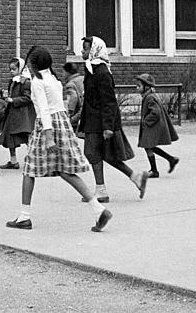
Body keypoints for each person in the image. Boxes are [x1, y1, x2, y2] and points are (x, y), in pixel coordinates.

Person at [5, 47, 112, 233]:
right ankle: (98, 209)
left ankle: (24, 216)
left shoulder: (38, 82)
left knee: (29, 169)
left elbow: (44, 110)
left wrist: (48, 138)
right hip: (61, 122)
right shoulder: (53, 79)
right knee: (65, 170)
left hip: (47, 125)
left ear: (34, 65)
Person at [79, 36, 148, 203]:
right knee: (105, 155)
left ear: (94, 50)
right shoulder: (92, 69)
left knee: (91, 152)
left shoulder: (101, 72)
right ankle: (135, 177)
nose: (82, 51)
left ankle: (101, 191)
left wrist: (108, 126)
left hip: (100, 121)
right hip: (94, 120)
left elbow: (109, 101)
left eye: (86, 48)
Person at [135, 73, 180, 178]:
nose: (137, 88)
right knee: (148, 146)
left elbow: (155, 112)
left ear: (146, 86)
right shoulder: (148, 96)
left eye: (139, 86)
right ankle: (170, 160)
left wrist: (146, 121)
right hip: (150, 125)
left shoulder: (150, 97)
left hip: (151, 126)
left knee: (148, 145)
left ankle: (156, 170)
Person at [0, 57, 36, 169]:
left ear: (20, 69)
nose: (11, 71)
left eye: (14, 69)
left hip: (23, 115)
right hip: (13, 114)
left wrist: (13, 100)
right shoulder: (13, 81)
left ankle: (34, 159)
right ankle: (13, 160)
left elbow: (28, 98)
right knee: (10, 137)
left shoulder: (26, 82)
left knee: (26, 137)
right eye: (10, 69)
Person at [62, 61, 85, 136]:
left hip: (78, 118)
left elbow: (73, 98)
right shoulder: (83, 79)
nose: (63, 75)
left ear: (68, 72)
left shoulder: (70, 84)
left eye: (64, 72)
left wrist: (70, 116)